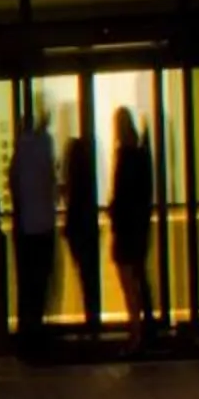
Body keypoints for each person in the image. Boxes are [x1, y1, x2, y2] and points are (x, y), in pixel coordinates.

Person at [11, 107, 58, 354]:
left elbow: (14, 181)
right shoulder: (43, 144)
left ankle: (28, 333)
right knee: (40, 283)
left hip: (27, 226)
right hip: (43, 224)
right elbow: (50, 178)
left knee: (28, 284)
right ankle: (36, 330)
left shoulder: (22, 148)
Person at [109, 106, 155, 356]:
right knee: (139, 280)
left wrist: (115, 216)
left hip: (127, 230)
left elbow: (122, 195)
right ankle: (143, 330)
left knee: (130, 283)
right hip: (138, 229)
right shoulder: (141, 154)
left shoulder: (126, 156)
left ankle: (136, 333)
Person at [64, 126, 102, 336]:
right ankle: (92, 320)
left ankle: (91, 321)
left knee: (85, 278)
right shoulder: (88, 180)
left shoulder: (75, 184)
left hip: (78, 232)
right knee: (89, 278)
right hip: (88, 230)